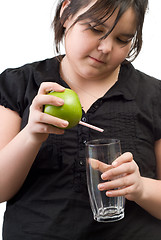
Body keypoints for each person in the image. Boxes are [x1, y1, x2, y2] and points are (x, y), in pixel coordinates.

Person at [0, 0, 161, 239]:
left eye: (122, 39)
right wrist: (31, 135)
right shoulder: (19, 85)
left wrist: (140, 188)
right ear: (66, 13)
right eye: (95, 29)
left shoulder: (154, 96)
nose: (106, 47)